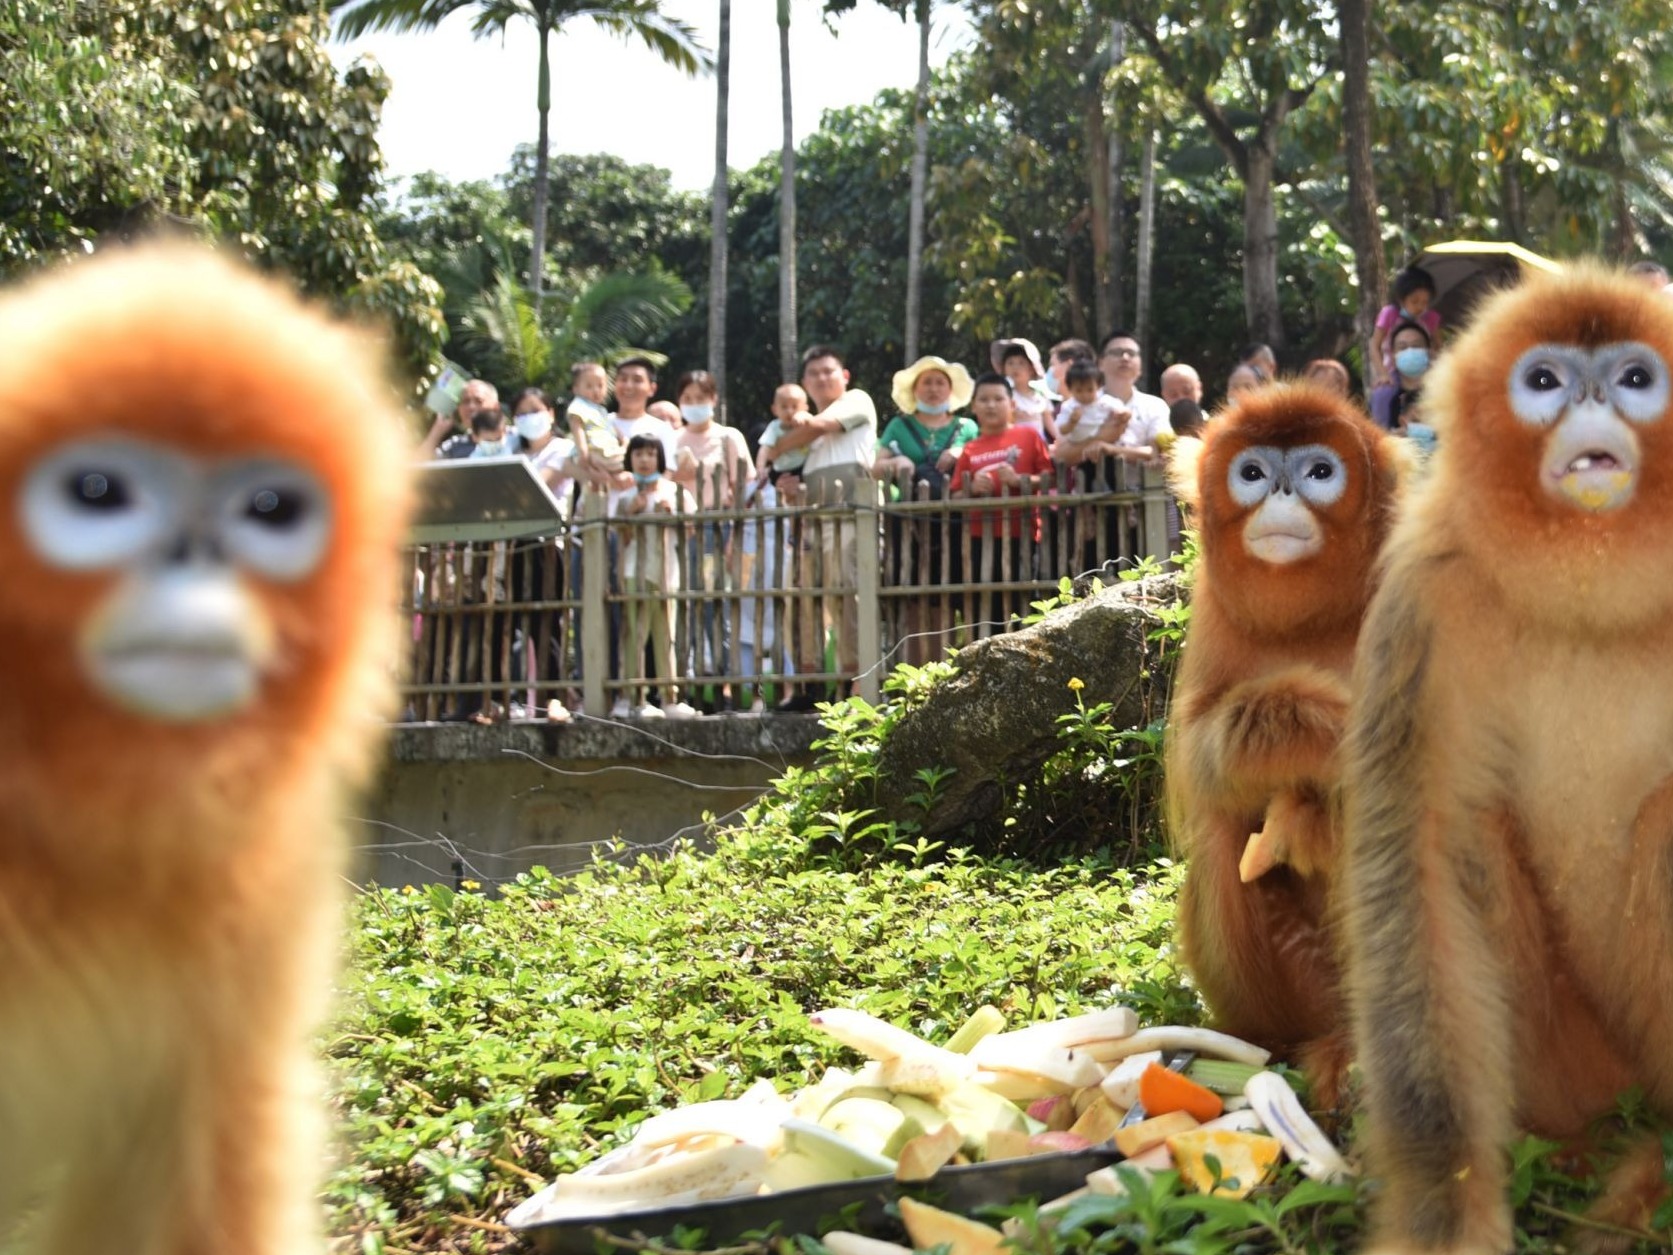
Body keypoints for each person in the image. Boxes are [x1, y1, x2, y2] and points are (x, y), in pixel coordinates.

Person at [765, 345, 877, 709]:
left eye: (829, 371)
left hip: (852, 515)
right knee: (804, 598)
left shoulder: (856, 400)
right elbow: (791, 472)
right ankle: (808, 686)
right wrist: (789, 486)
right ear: (804, 383)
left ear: (844, 376)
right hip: (813, 520)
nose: (822, 378)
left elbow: (812, 430)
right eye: (813, 374)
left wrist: (776, 446)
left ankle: (859, 686)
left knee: (851, 593)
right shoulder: (804, 432)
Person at [671, 369, 751, 711]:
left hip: (714, 530)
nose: (694, 405)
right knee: (680, 605)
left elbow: (743, 487)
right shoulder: (670, 438)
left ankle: (722, 685)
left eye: (700, 398)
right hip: (674, 530)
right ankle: (685, 685)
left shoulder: (728, 437)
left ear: (713, 400)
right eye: (687, 399)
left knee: (714, 608)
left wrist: (733, 534)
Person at [950, 373, 1054, 633]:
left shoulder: (1029, 436)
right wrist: (971, 488)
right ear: (974, 407)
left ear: (1012, 404)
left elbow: (1051, 477)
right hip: (979, 540)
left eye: (998, 398)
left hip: (1025, 534)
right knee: (984, 606)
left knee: (1026, 604)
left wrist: (1022, 480)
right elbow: (954, 496)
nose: (991, 405)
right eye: (983, 399)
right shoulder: (969, 449)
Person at [612, 435, 699, 719]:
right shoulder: (624, 497)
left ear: (660, 459)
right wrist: (631, 514)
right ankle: (634, 697)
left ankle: (669, 698)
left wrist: (672, 514)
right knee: (635, 635)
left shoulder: (676, 492)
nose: (645, 460)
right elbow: (620, 538)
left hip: (666, 573)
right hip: (633, 572)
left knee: (666, 635)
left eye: (651, 454)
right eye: (639, 454)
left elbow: (690, 530)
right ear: (630, 459)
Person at [508, 387, 579, 723]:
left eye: (534, 410)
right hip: (511, 545)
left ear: (551, 412)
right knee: (511, 624)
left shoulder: (564, 449)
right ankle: (513, 698)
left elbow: (535, 486)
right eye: (520, 413)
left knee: (546, 623)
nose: (529, 418)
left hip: (549, 546)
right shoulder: (509, 448)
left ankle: (553, 697)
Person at [875, 355, 977, 496]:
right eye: (927, 383)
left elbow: (984, 459)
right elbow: (875, 470)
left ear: (950, 390)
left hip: (959, 511)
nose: (933, 389)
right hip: (909, 511)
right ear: (914, 390)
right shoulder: (898, 425)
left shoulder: (968, 427)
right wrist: (896, 463)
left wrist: (961, 452)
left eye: (940, 383)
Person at [1096, 332, 1173, 463]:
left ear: (1140, 366)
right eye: (1117, 352)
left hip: (1142, 483)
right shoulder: (1081, 405)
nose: (1125, 358)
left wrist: (1110, 449)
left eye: (1131, 353)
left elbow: (1157, 453)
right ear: (1100, 363)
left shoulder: (1155, 406)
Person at [1369, 265, 1442, 393]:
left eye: (1425, 303)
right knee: (1386, 395)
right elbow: (1374, 345)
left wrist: (1433, 357)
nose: (1420, 307)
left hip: (1423, 373)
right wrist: (1383, 374)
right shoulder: (1389, 314)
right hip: (1392, 371)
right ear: (1401, 300)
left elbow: (1439, 346)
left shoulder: (1430, 318)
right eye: (1415, 301)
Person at [1051, 360, 1129, 464]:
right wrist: (1072, 422)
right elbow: (1062, 430)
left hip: (1108, 449)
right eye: (1079, 390)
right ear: (1070, 388)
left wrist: (1122, 415)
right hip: (1081, 454)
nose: (1085, 395)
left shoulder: (1105, 401)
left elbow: (1125, 412)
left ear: (1098, 386)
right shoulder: (1069, 407)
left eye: (1090, 390)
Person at [566, 361, 624, 486]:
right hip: (592, 451)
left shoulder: (600, 410)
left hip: (604, 450)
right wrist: (583, 451)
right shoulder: (578, 406)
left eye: (600, 385)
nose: (596, 390)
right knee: (624, 463)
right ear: (576, 389)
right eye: (589, 386)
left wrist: (622, 438)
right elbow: (578, 429)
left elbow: (608, 427)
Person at [992, 338, 1059, 442]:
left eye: (1021, 363)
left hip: (1040, 446)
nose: (1015, 367)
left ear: (1032, 368)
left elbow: (1050, 424)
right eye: (1010, 363)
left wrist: (1062, 441)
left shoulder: (1041, 396)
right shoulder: (1005, 396)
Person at [420, 377, 500, 460]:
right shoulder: (453, 447)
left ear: (495, 407)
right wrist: (437, 431)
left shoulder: (512, 439)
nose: (471, 407)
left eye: (479, 401)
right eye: (465, 401)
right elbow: (414, 469)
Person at [755, 383, 812, 498]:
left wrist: (804, 416)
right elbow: (765, 448)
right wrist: (760, 467)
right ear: (775, 410)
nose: (789, 411)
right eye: (784, 407)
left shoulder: (807, 421)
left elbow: (815, 423)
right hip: (780, 470)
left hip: (803, 467)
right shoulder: (774, 427)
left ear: (805, 408)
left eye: (795, 406)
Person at [1384, 319, 1434, 439]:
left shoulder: (1446, 392)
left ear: (1429, 351)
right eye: (1402, 347)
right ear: (1393, 356)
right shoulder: (1392, 401)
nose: (1410, 351)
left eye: (1416, 345)